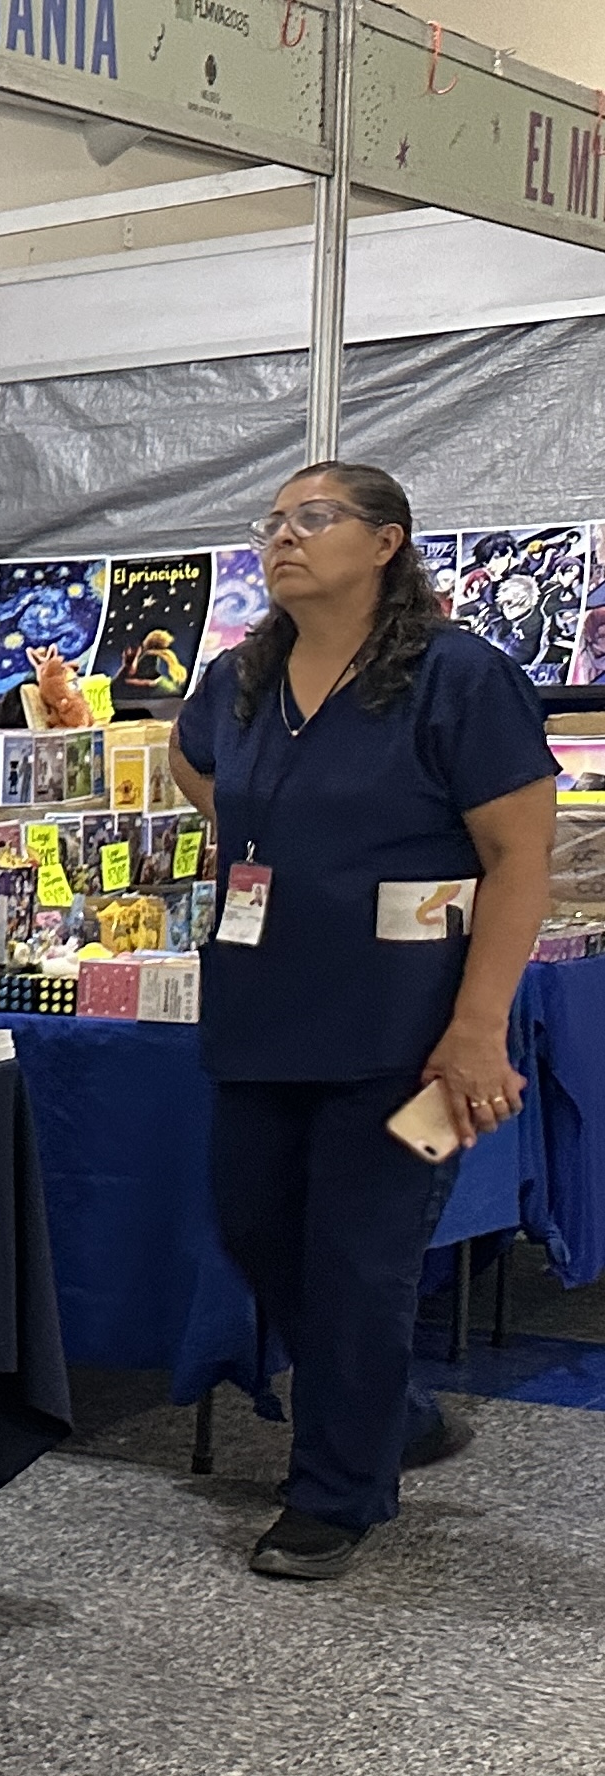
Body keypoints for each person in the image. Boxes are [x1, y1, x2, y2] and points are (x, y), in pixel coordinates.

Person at [167, 461, 553, 1580]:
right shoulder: (242, 678)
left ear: (387, 543)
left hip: (411, 1035)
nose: (283, 537)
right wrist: (278, 841)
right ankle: (391, 1410)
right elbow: (195, 764)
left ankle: (335, 1495)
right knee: (254, 1229)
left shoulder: (459, 679)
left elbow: (520, 860)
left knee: (360, 1260)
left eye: (314, 517)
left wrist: (478, 1029)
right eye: (273, 523)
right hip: (264, 1011)